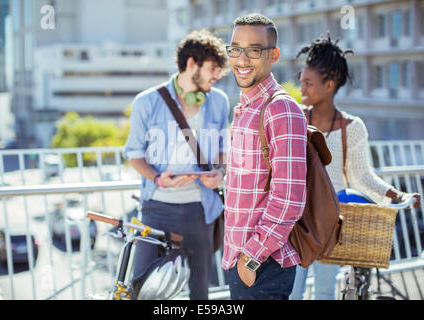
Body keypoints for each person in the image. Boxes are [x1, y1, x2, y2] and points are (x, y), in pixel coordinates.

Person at [290, 34, 421, 300]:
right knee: (291, 293)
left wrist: (399, 196)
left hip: (330, 224)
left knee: (325, 293)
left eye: (308, 83)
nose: (301, 89)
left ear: (329, 85)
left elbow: (362, 177)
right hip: (295, 221)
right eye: (301, 82)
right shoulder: (294, 121)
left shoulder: (354, 128)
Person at [123, 29, 229, 300]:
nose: (217, 76)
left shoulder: (219, 102)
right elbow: (134, 154)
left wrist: (218, 173)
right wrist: (158, 178)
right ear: (191, 63)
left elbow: (221, 152)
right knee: (142, 290)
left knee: (199, 292)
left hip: (200, 209)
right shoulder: (147, 101)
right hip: (156, 208)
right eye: (213, 69)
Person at [222, 13, 308, 300]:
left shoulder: (280, 108)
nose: (242, 59)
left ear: (274, 55)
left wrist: (251, 258)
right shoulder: (246, 107)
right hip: (241, 260)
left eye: (254, 50)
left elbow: (289, 198)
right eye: (235, 49)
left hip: (263, 265)